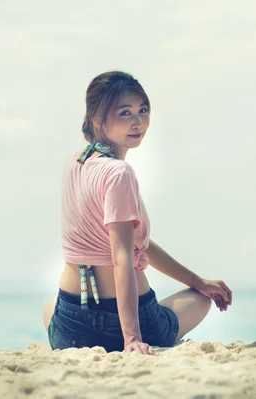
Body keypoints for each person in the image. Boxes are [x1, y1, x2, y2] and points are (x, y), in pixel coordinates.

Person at [41, 71, 233, 355]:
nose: (138, 122)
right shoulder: (119, 172)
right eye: (125, 113)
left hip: (70, 324)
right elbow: (122, 258)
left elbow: (133, 242)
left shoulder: (74, 163)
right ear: (97, 119)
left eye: (143, 110)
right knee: (200, 300)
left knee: (48, 305)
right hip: (128, 322)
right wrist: (132, 339)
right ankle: (128, 335)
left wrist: (197, 280)